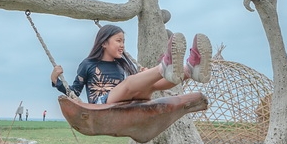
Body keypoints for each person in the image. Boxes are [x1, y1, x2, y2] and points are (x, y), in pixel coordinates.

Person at [50, 25, 211, 105]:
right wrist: (56, 81)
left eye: (124, 42)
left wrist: (144, 75)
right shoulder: (88, 64)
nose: (122, 45)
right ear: (104, 43)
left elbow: (134, 87)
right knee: (129, 83)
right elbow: (75, 92)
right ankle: (164, 67)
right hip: (100, 106)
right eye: (118, 41)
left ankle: (190, 70)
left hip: (126, 103)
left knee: (151, 84)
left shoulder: (122, 64)